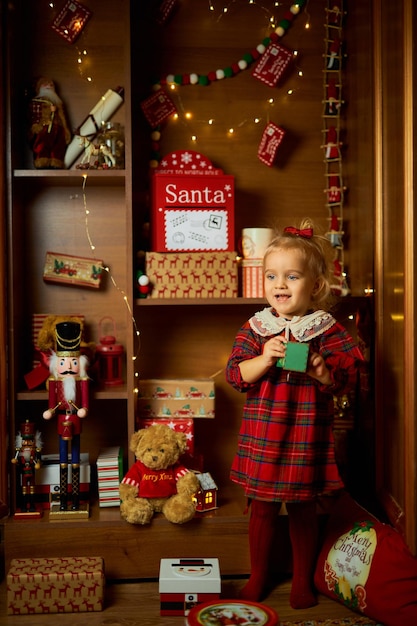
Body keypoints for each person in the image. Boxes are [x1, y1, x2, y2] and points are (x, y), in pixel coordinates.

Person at [226, 219, 366, 609]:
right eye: (272, 276)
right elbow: (236, 374)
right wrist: (264, 357)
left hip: (305, 433)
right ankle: (259, 577)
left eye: (291, 276)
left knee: (304, 507)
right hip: (265, 433)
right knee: (263, 507)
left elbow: (348, 375)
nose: (280, 284)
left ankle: (302, 581)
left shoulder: (323, 327)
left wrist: (321, 369)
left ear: (315, 286)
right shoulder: (257, 327)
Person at [43, 321, 89, 511]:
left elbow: (85, 402)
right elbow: (51, 404)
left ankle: (76, 500)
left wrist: (84, 409)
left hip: (76, 419)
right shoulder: (55, 383)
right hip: (61, 419)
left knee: (75, 458)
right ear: (56, 365)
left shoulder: (82, 382)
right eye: (63, 363)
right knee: (63, 459)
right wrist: (50, 411)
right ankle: (63, 500)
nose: (68, 367)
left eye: (73, 362)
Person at [28, 77, 71, 169]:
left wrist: (65, 130)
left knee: (58, 147)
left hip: (58, 128)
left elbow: (63, 118)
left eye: (51, 85)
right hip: (44, 128)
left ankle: (56, 162)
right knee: (42, 145)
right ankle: (41, 161)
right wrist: (37, 126)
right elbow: (34, 116)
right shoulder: (37, 102)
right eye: (45, 84)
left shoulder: (58, 103)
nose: (48, 86)